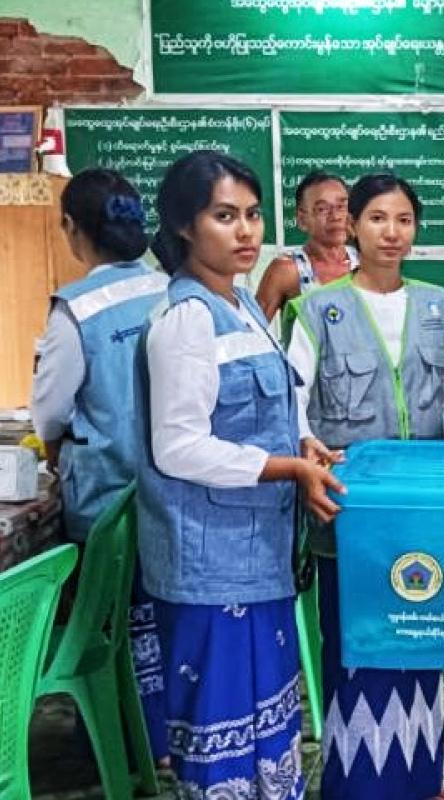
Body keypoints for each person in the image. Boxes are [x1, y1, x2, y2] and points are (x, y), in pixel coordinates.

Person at [136, 150, 342, 798]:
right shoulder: (187, 318)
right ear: (184, 226)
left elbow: (267, 401)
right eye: (225, 216)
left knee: (268, 723)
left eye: (252, 214)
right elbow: (178, 446)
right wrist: (286, 467)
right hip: (208, 565)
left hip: (257, 557)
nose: (246, 231)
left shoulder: (245, 304)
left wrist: (302, 440)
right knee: (221, 734)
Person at [286, 172, 444, 800]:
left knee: (422, 636)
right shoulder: (317, 309)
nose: (392, 232)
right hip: (351, 515)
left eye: (404, 220)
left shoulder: (439, 305)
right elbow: (292, 401)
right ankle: (360, 784)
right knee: (357, 642)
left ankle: (421, 777)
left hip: (423, 511)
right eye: (378, 219)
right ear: (353, 226)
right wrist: (304, 447)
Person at [30, 167, 171, 758]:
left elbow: (48, 417)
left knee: (110, 626)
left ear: (72, 228)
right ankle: (161, 734)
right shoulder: (171, 290)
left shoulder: (76, 310)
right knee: (160, 624)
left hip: (106, 500)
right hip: (171, 496)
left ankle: (117, 741)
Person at [255, 170, 356, 324]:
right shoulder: (287, 270)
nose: (336, 216)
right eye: (322, 209)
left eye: (342, 206)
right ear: (302, 219)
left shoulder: (366, 263)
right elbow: (252, 332)